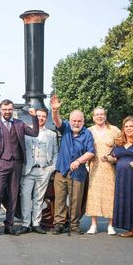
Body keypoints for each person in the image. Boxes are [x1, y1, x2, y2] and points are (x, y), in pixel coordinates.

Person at [0, 99, 38, 237]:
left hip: (16, 164)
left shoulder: (19, 123)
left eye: (10, 109)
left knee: (14, 195)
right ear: (0, 110)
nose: (7, 112)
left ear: (12, 110)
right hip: (0, 164)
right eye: (5, 109)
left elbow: (35, 133)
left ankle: (9, 226)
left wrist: (34, 116)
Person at [50, 95, 95, 235]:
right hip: (61, 170)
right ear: (70, 121)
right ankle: (59, 224)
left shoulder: (87, 133)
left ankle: (74, 225)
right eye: (74, 120)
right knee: (60, 199)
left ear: (83, 121)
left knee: (76, 200)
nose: (76, 123)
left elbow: (91, 152)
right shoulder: (65, 128)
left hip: (78, 172)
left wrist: (78, 161)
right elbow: (56, 121)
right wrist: (55, 110)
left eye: (79, 121)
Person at [19, 108, 58, 234]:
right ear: (35, 116)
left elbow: (56, 152)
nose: (41, 118)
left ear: (46, 118)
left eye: (43, 116)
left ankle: (36, 224)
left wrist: (51, 168)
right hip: (28, 170)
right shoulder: (26, 131)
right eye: (39, 116)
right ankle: (25, 224)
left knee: (39, 198)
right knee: (25, 197)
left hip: (43, 170)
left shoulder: (51, 134)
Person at [85, 107, 120, 235]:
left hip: (110, 168)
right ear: (93, 117)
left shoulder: (114, 130)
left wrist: (112, 158)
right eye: (97, 115)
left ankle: (111, 225)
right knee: (93, 195)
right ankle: (93, 224)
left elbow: (121, 147)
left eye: (102, 114)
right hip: (94, 167)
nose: (99, 117)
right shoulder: (89, 131)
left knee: (110, 196)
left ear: (105, 116)